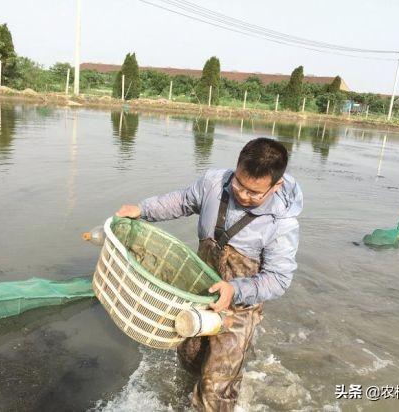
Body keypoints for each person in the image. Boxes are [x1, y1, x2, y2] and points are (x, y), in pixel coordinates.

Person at [116, 137, 303, 411]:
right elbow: (180, 201)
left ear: (277, 185)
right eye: (239, 183)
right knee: (189, 364)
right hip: (199, 295)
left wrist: (234, 290)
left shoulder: (282, 224)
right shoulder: (214, 183)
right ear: (237, 166)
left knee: (216, 389)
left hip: (237, 311)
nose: (243, 194)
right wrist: (142, 210)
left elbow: (279, 279)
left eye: (254, 192)